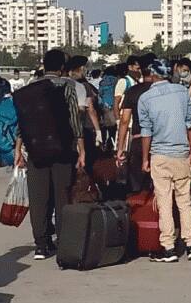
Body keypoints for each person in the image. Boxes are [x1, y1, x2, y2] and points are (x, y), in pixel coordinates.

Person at [14, 49, 85, 260]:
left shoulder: (30, 89)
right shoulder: (67, 86)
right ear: (63, 68)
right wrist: (81, 148)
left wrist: (18, 149)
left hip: (35, 149)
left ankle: (41, 245)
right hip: (62, 148)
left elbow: (23, 123)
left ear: (44, 66)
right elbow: (74, 119)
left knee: (39, 198)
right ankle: (62, 241)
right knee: (62, 195)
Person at [138, 59, 191, 262]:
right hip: (181, 154)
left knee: (164, 202)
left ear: (151, 74)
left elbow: (146, 132)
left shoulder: (145, 99)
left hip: (159, 155)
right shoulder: (182, 92)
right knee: (185, 202)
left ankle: (168, 248)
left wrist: (145, 158)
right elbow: (189, 124)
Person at [116, 55, 155, 193]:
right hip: (160, 142)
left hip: (138, 140)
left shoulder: (133, 91)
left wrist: (120, 147)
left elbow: (125, 120)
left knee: (137, 184)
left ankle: (139, 210)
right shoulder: (164, 91)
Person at [67, 56, 103, 174]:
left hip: (68, 129)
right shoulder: (85, 86)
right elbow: (91, 109)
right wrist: (98, 130)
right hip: (85, 128)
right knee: (87, 162)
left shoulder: (65, 84)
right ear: (81, 68)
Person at [114, 56, 141, 120]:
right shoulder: (123, 81)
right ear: (130, 67)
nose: (139, 69)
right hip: (126, 120)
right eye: (137, 67)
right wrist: (118, 120)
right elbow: (116, 103)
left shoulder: (138, 81)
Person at [99, 66, 119, 149]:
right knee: (113, 127)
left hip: (104, 105)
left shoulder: (102, 81)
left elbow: (100, 93)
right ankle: (111, 143)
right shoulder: (116, 80)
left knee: (104, 126)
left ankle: (103, 143)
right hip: (114, 105)